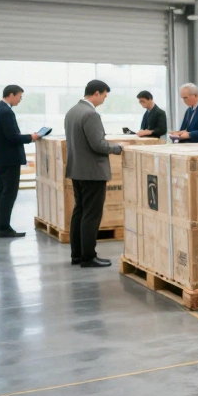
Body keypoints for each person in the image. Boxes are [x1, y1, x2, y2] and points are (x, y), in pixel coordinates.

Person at [64, 80, 123, 269]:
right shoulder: (91, 115)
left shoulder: (72, 111)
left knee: (79, 211)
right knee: (91, 214)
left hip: (77, 170)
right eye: (105, 95)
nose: (105, 99)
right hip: (92, 172)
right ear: (96, 93)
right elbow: (98, 144)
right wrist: (117, 148)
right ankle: (88, 256)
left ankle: (77, 254)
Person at [0, 84, 39, 238]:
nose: (20, 100)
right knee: (9, 193)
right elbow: (12, 137)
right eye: (20, 96)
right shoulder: (7, 112)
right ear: (11, 95)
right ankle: (5, 228)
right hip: (10, 159)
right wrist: (31, 137)